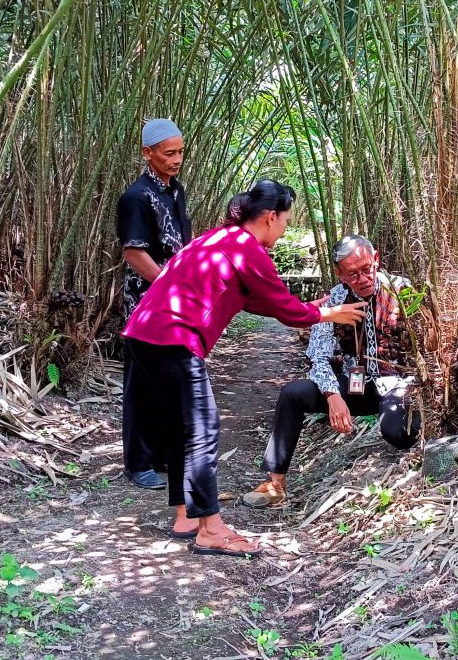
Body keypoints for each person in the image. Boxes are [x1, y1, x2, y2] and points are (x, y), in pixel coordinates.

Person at [123, 180, 367, 557]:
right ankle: (211, 529)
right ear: (270, 217)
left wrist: (311, 309)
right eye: (285, 221)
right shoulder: (247, 249)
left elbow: (247, 298)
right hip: (173, 338)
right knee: (203, 429)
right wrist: (328, 313)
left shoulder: (219, 238)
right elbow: (287, 311)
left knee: (180, 425)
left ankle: (186, 516)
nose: (284, 229)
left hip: (144, 333)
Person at [242, 235, 422, 509]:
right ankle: (275, 484)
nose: (362, 278)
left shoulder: (402, 292)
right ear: (340, 274)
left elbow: (427, 351)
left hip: (399, 386)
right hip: (357, 384)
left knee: (396, 431)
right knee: (293, 393)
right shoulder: (337, 297)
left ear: (376, 259)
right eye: (353, 274)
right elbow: (318, 355)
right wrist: (332, 395)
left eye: (366, 269)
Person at [117, 118, 192, 490]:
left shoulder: (175, 191)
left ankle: (162, 453)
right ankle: (137, 461)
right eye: (169, 153)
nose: (176, 159)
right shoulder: (136, 196)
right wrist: (167, 283)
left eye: (180, 152)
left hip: (174, 300)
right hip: (144, 304)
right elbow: (133, 252)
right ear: (148, 153)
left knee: (169, 378)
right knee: (141, 383)